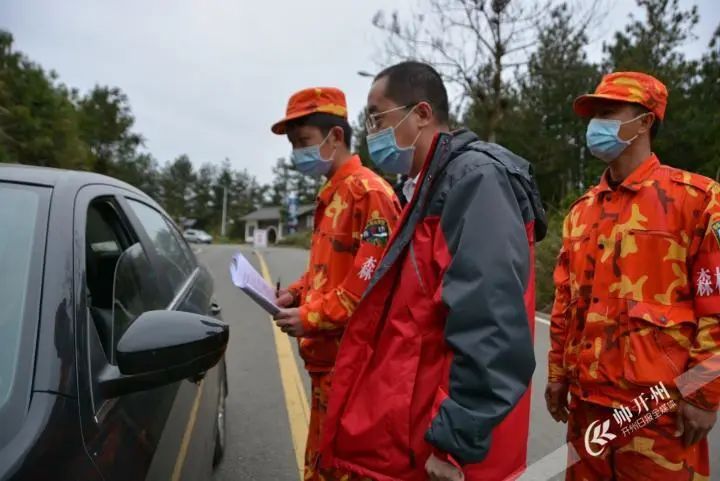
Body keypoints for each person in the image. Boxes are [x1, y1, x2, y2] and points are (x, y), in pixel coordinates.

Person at [320, 61, 547, 481]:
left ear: (421, 114)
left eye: (377, 117)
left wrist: (454, 443)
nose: (370, 132)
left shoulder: (473, 180)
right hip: (416, 433)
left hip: (447, 451)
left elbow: (491, 322)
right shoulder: (428, 186)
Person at [546, 72, 720, 480]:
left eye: (608, 112)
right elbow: (564, 304)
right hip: (588, 407)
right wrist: (557, 376)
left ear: (645, 122)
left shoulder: (697, 200)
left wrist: (705, 394)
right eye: (593, 115)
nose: (595, 125)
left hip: (659, 411)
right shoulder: (581, 211)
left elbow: (717, 306)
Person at [270, 86, 402, 481]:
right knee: (323, 462)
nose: (297, 154)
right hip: (327, 364)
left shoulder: (369, 194)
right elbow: (330, 268)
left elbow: (369, 283)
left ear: (336, 137)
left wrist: (308, 316)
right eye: (294, 145)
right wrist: (295, 291)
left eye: (304, 142)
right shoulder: (333, 195)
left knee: (345, 467)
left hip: (353, 367)